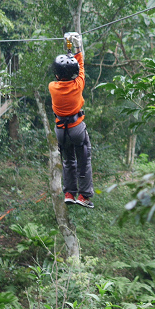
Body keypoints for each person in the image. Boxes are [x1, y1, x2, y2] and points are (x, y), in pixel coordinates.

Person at [48, 32, 94, 208]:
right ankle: (84, 196)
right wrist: (77, 47)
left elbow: (64, 73)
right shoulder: (78, 85)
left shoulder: (53, 87)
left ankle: (69, 193)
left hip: (61, 131)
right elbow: (80, 67)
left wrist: (68, 50)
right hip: (77, 129)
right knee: (83, 160)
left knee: (68, 161)